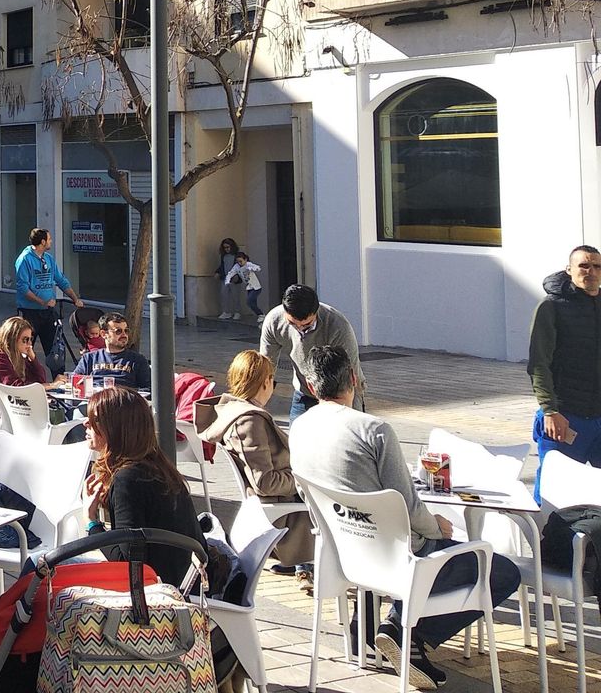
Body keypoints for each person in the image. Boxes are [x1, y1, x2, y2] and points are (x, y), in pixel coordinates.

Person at [291, 345, 519, 686]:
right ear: (354, 378)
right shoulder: (374, 430)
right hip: (398, 556)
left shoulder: (299, 428)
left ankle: (379, 630)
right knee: (501, 571)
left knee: (412, 539)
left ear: (311, 387)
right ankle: (406, 632)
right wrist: (437, 527)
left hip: (341, 550)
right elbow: (409, 508)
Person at [194, 350, 314, 581]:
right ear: (264, 381)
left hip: (280, 503)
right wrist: (303, 480)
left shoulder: (231, 411)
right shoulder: (250, 420)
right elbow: (265, 483)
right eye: (273, 380)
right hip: (287, 511)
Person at [83, 386, 206, 587]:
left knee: (39, 569)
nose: (85, 422)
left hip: (160, 594)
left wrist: (91, 522)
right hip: (185, 578)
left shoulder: (127, 480)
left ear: (116, 429)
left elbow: (128, 566)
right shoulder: (157, 466)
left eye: (94, 419)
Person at [528, 245, 601, 499]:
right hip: (565, 417)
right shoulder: (552, 307)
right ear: (569, 270)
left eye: (596, 266)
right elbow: (538, 364)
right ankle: (546, 539)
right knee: (555, 493)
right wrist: (550, 410)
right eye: (583, 266)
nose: (590, 271)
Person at [260, 283, 364, 422]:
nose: (300, 329)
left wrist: (355, 421)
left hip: (337, 395)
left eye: (307, 325)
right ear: (284, 311)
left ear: (316, 311)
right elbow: (265, 366)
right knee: (297, 439)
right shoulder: (274, 321)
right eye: (293, 324)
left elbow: (351, 374)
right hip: (304, 392)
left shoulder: (337, 325)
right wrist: (255, 407)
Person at [13, 228, 82, 360]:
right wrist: (42, 302)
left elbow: (61, 280)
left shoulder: (48, 259)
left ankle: (58, 376)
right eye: (49, 239)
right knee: (24, 352)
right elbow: (23, 287)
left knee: (55, 349)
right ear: (43, 242)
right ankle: (23, 377)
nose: (51, 241)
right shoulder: (24, 259)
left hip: (48, 312)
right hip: (29, 313)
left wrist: (75, 298)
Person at [72, 312, 152, 390]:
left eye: (126, 331)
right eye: (118, 331)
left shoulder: (137, 360)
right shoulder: (89, 358)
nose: (124, 335)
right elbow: (74, 383)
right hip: (94, 400)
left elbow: (147, 390)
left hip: (124, 401)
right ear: (103, 334)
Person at [224, 251, 265, 323]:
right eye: (238, 262)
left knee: (249, 301)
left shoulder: (248, 264)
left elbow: (257, 267)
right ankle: (260, 316)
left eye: (241, 261)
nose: (239, 263)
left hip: (256, 287)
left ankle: (261, 314)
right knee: (251, 304)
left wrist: (253, 269)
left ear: (245, 259)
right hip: (249, 288)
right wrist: (227, 281)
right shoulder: (236, 267)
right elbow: (230, 273)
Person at [214, 237, 243, 321]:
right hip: (226, 278)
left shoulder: (237, 256)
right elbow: (222, 266)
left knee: (235, 296)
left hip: (234, 279)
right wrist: (218, 272)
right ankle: (226, 311)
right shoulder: (224, 256)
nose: (226, 249)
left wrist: (237, 276)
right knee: (224, 294)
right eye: (224, 248)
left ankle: (237, 312)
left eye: (228, 247)